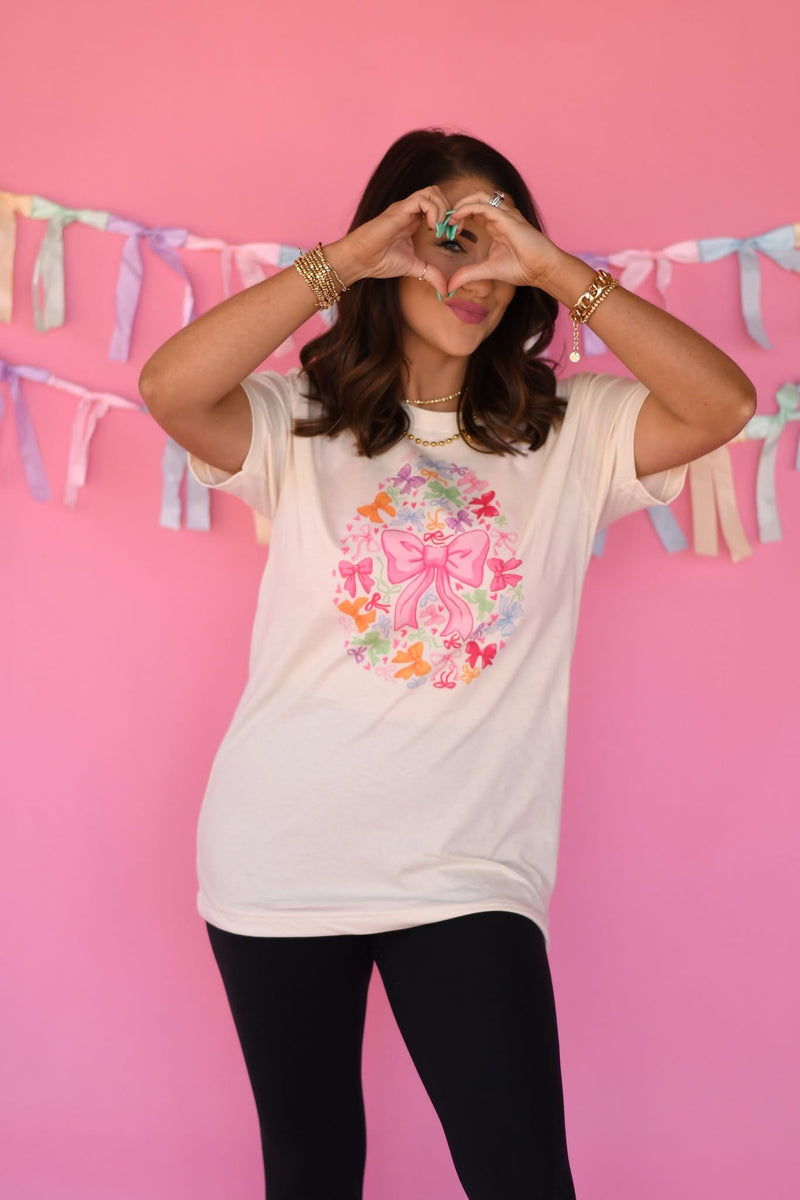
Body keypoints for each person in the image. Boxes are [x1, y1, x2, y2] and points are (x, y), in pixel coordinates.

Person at [139, 128, 756, 1200]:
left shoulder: (572, 433)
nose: (473, 271)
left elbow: (724, 406)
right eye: (448, 237)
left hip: (467, 867)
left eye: (497, 242)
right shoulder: (299, 423)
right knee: (311, 1172)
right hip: (280, 855)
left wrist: (558, 272)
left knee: (522, 1176)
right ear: (389, 245)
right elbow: (168, 388)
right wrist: (346, 259)